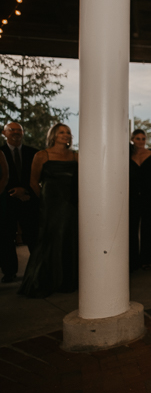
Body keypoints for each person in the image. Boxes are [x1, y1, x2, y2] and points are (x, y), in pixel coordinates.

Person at [18, 123, 79, 298]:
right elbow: (33, 181)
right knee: (51, 238)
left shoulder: (75, 156)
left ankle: (68, 280)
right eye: (61, 132)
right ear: (53, 135)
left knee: (69, 237)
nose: (65, 135)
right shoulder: (42, 155)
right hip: (51, 205)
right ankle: (47, 279)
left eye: (68, 132)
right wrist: (45, 199)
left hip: (71, 203)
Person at [1, 122, 40, 283]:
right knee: (5, 237)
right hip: (5, 201)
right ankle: (9, 272)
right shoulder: (0, 152)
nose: (16, 132)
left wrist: (25, 190)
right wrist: (13, 192)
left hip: (28, 200)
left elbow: (38, 177)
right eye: (12, 130)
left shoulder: (34, 153)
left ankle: (38, 269)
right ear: (4, 133)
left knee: (33, 236)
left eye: (19, 130)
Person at [129, 129, 151, 271]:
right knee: (131, 226)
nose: (141, 142)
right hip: (132, 194)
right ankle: (132, 259)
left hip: (149, 194)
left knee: (149, 226)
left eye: (143, 139)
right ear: (132, 139)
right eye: (138, 139)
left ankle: (148, 258)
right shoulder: (128, 155)